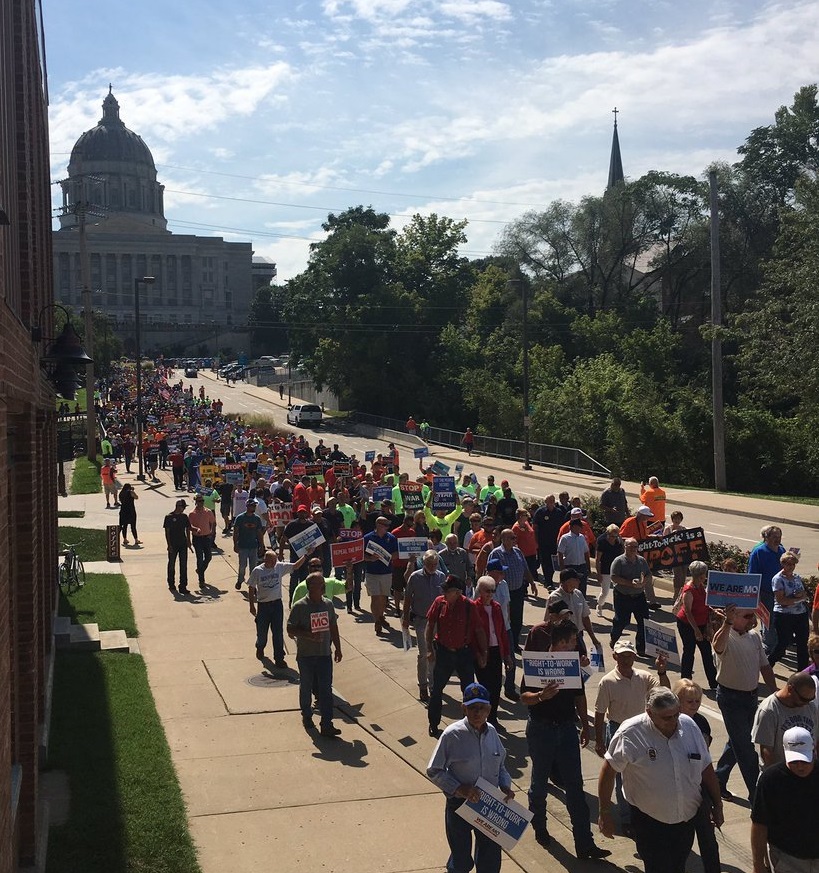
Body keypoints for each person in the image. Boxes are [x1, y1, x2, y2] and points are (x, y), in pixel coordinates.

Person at [598, 688, 723, 873]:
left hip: (685, 819)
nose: (673, 722)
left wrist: (717, 804)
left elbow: (706, 767)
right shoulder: (630, 733)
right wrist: (605, 812)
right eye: (666, 718)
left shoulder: (688, 725)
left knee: (678, 865)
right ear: (649, 713)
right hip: (650, 822)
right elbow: (608, 772)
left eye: (675, 715)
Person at [522, 620, 611, 859]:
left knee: (575, 786)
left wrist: (584, 724)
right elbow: (524, 696)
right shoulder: (538, 663)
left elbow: (579, 696)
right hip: (541, 729)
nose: (577, 644)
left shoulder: (572, 665)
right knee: (539, 783)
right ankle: (540, 827)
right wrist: (541, 696)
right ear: (561, 642)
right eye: (573, 641)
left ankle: (584, 843)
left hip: (567, 729)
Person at [427, 683, 514, 873]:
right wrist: (459, 788)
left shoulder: (492, 733)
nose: (477, 713)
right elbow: (434, 770)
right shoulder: (452, 735)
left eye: (482, 708)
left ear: (489, 709)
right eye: (472, 707)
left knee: (490, 859)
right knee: (460, 861)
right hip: (460, 805)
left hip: (489, 805)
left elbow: (501, 767)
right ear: (463, 708)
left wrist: (506, 786)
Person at [594, 639, 670, 839]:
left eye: (630, 655)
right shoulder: (607, 682)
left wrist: (662, 671)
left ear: (635, 657)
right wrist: (599, 740)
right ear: (615, 657)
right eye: (622, 655)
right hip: (618, 730)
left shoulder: (645, 677)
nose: (626, 659)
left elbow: (665, 693)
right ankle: (627, 819)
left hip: (643, 729)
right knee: (620, 777)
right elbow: (600, 712)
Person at [712, 603, 778, 802]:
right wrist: (727, 622)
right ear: (735, 617)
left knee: (738, 741)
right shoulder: (726, 635)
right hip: (730, 699)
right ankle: (756, 794)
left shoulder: (755, 637)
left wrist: (774, 692)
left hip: (750, 697)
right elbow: (717, 646)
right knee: (746, 748)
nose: (753, 620)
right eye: (748, 616)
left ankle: (718, 779)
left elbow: (765, 667)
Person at [751, 726, 819, 873]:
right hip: (787, 859)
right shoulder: (770, 780)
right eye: (794, 761)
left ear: (814, 751)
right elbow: (759, 825)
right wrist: (758, 865)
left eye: (805, 760)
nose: (800, 767)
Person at [426, 576, 486, 737]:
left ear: (458, 592)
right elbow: (430, 625)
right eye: (444, 590)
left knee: (469, 692)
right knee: (437, 690)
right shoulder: (439, 603)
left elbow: (479, 630)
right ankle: (433, 723)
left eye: (447, 591)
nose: (444, 593)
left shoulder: (469, 606)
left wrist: (483, 653)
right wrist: (429, 649)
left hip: (464, 654)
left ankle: (470, 726)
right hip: (444, 653)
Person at [287, 571, 343, 737]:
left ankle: (327, 724)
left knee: (326, 690)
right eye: (320, 584)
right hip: (306, 656)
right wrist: (308, 634)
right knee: (306, 687)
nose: (323, 586)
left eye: (323, 584)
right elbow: (290, 628)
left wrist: (338, 648)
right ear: (311, 587)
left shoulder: (328, 605)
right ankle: (307, 715)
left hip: (324, 654)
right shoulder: (299, 607)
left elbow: (333, 627)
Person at [674, 679, 721, 873]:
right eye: (689, 701)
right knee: (680, 843)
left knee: (708, 839)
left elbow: (705, 759)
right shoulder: (669, 721)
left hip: (700, 788)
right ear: (678, 701)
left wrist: (715, 800)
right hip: (678, 789)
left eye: (697, 701)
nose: (694, 705)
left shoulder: (701, 722)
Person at [248, 548, 312, 666]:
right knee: (262, 632)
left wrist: (306, 555)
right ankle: (260, 646)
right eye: (272, 561)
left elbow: (295, 566)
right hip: (263, 606)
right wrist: (252, 605)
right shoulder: (257, 571)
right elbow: (251, 588)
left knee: (278, 632)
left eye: (275, 561)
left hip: (276, 605)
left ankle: (279, 658)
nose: (274, 564)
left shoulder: (279, 567)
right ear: (265, 560)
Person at [751, 671, 818, 772]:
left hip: (807, 775)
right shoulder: (769, 710)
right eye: (803, 699)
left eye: (811, 699)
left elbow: (816, 741)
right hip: (781, 774)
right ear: (790, 689)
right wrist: (779, 777)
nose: (806, 703)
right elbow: (766, 751)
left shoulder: (810, 706)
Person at [403, 550, 446, 702]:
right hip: (421, 621)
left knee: (435, 655)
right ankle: (423, 685)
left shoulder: (441, 577)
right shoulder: (415, 577)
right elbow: (408, 597)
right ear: (424, 563)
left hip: (438, 622)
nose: (433, 567)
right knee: (424, 654)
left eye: (435, 564)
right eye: (429, 564)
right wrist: (405, 618)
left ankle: (434, 685)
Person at [488, 528, 537, 653]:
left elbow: (525, 568)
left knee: (517, 619)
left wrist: (532, 583)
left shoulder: (518, 552)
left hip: (518, 591)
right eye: (511, 538)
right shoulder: (496, 553)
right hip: (502, 592)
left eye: (514, 538)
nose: (514, 540)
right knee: (504, 619)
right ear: (503, 539)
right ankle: (504, 645)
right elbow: (490, 572)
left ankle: (514, 644)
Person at [472, 576, 510, 728]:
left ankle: (493, 717)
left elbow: (502, 632)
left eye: (493, 591)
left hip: (496, 651)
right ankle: (482, 718)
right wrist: (478, 654)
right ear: (480, 591)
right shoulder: (474, 607)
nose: (490, 594)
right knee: (485, 686)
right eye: (487, 591)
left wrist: (506, 655)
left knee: (496, 686)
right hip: (482, 652)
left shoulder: (497, 607)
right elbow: (472, 635)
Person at [674, 560, 718, 689]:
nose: (706, 576)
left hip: (701, 623)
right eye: (704, 573)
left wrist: (713, 610)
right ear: (700, 575)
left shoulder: (700, 586)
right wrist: (696, 631)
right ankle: (685, 681)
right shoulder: (689, 590)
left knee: (706, 652)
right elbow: (688, 612)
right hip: (688, 625)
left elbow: (703, 603)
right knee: (689, 651)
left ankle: (713, 682)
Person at [609, 538, 652, 655]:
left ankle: (641, 648)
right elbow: (614, 577)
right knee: (621, 621)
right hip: (623, 596)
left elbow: (648, 574)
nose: (633, 549)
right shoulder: (619, 561)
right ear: (625, 547)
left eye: (635, 547)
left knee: (643, 622)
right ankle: (614, 639)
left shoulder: (641, 561)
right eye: (630, 546)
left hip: (639, 596)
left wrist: (644, 582)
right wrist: (630, 583)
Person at [768, 551, 810, 670]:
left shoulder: (796, 577)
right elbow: (782, 601)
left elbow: (803, 593)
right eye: (788, 564)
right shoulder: (778, 579)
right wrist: (799, 599)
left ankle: (803, 672)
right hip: (784, 616)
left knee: (803, 645)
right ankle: (768, 663)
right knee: (783, 644)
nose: (791, 567)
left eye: (793, 564)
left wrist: (801, 595)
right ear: (783, 564)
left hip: (800, 614)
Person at [748, 525, 786, 652]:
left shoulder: (782, 550)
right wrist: (755, 594)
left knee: (779, 618)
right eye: (774, 537)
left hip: (780, 591)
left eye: (779, 536)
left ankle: (777, 640)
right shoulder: (759, 552)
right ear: (766, 537)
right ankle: (770, 646)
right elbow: (752, 574)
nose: (778, 539)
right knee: (768, 619)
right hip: (766, 592)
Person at [547, 568, 602, 651]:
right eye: (576, 579)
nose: (579, 581)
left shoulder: (578, 594)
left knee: (582, 661)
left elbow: (585, 617)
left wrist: (593, 638)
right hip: (562, 640)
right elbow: (549, 621)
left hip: (578, 636)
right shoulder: (555, 597)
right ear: (568, 581)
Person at [362, 517, 399, 634]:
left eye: (388, 525)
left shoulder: (391, 538)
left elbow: (396, 553)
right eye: (385, 525)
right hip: (372, 572)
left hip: (386, 572)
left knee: (383, 597)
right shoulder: (367, 538)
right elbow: (360, 555)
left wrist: (388, 557)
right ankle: (377, 620)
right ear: (378, 525)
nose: (387, 527)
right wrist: (370, 558)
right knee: (375, 597)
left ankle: (381, 616)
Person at [232, 498, 266, 590]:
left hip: (253, 546)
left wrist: (261, 545)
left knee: (253, 568)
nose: (254, 507)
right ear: (247, 506)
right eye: (252, 505)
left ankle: (252, 586)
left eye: (255, 505)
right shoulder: (240, 518)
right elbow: (235, 532)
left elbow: (259, 533)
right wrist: (235, 544)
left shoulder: (257, 519)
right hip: (243, 546)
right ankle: (240, 580)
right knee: (242, 566)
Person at [531, 494, 564, 588]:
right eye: (549, 501)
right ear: (545, 502)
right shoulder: (540, 512)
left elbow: (561, 528)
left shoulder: (558, 512)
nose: (551, 503)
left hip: (554, 542)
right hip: (543, 542)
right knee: (545, 562)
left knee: (553, 563)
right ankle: (548, 582)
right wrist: (536, 541)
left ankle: (549, 578)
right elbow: (535, 527)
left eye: (553, 501)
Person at [556, 516, 591, 596]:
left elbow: (586, 552)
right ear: (572, 527)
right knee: (570, 588)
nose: (580, 529)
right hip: (570, 566)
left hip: (581, 565)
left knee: (582, 587)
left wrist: (588, 567)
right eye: (578, 527)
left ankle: (581, 603)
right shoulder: (565, 538)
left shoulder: (582, 537)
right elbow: (560, 553)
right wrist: (562, 568)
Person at [164, 499, 192, 594]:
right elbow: (167, 532)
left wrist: (189, 541)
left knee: (183, 565)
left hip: (183, 544)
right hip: (173, 544)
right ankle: (171, 583)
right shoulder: (169, 517)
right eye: (182, 507)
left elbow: (188, 529)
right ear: (178, 506)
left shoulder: (184, 517)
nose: (183, 509)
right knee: (171, 564)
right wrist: (169, 545)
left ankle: (183, 586)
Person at [594, 524, 623, 617]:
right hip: (605, 569)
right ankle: (600, 605)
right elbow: (597, 559)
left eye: (615, 536)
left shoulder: (618, 541)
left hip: (616, 570)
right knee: (605, 591)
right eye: (611, 536)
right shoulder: (602, 542)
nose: (613, 538)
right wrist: (598, 574)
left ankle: (617, 610)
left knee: (617, 591)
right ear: (607, 533)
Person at [189, 494, 217, 587]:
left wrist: (212, 531)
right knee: (200, 558)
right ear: (196, 502)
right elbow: (189, 526)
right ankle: (201, 580)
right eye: (199, 501)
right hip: (197, 538)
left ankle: (200, 570)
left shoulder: (208, 512)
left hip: (206, 537)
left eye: (202, 501)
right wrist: (196, 529)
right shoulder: (192, 514)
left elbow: (213, 522)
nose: (201, 503)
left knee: (208, 557)